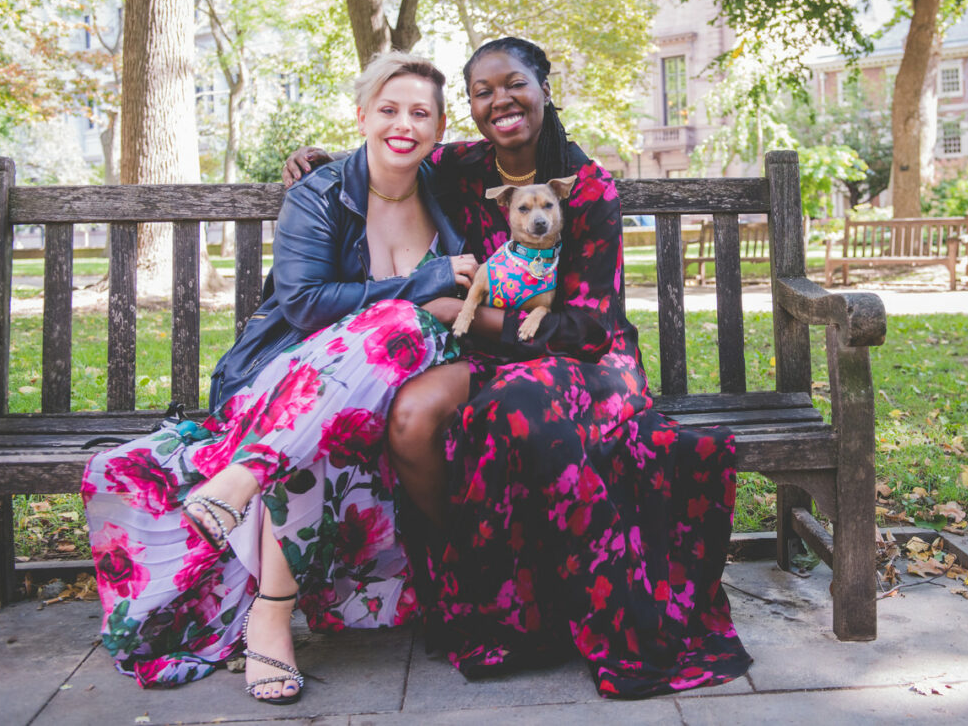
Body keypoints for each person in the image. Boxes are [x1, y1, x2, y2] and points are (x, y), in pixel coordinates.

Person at [283, 37, 752, 698]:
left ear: (543, 90)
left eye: (515, 85)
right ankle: (473, 589)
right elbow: (395, 147)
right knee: (414, 416)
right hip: (487, 354)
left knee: (520, 405)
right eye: (483, 91)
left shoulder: (586, 187)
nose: (499, 100)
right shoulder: (462, 167)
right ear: (471, 107)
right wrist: (326, 162)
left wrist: (462, 313)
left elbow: (586, 327)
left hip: (584, 358)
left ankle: (559, 607)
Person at [82, 53, 481, 704]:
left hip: (405, 385)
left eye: (420, 113)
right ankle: (270, 612)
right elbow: (304, 304)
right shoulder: (323, 192)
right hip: (301, 381)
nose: (404, 124)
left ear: (440, 127)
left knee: (396, 329)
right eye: (388, 109)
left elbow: (518, 143)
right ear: (362, 115)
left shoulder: (448, 185)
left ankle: (245, 482)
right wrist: (426, 283)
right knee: (348, 389)